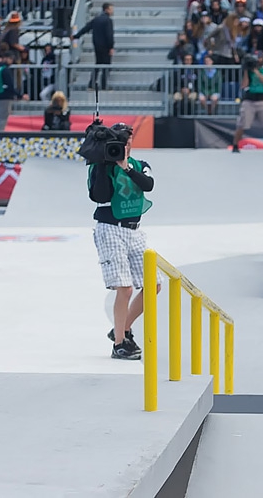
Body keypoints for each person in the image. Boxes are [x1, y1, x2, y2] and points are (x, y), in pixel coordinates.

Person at [87, 123, 156, 360]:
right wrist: (105, 165)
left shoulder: (139, 165)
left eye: (127, 141)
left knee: (153, 285)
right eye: (119, 142)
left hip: (135, 230)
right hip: (110, 228)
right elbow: (100, 196)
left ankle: (122, 328)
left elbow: (149, 185)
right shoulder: (99, 167)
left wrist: (126, 168)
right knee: (124, 288)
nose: (124, 146)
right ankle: (119, 344)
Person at [232, 51, 263, 153]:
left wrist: (256, 71)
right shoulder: (248, 70)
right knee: (242, 125)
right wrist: (247, 70)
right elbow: (244, 85)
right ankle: (235, 145)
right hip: (249, 100)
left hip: (262, 100)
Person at [74, 2, 115, 90]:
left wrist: (76, 36)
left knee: (97, 64)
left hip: (97, 46)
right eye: (111, 9)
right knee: (106, 67)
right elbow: (109, 35)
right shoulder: (108, 21)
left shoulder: (96, 19)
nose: (112, 11)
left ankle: (91, 84)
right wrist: (111, 47)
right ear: (106, 9)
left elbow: (86, 28)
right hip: (106, 47)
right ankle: (104, 86)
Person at [0, 52, 29, 130]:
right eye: (10, 59)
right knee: (3, 119)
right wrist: (20, 95)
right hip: (5, 96)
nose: (11, 61)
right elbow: (10, 86)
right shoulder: (5, 70)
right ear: (5, 59)